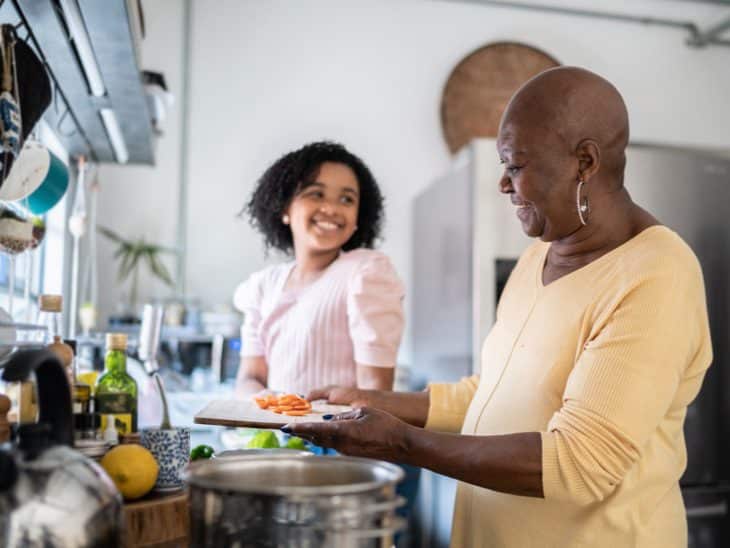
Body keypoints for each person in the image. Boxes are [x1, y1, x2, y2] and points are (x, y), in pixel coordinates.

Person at [284, 67, 713, 548]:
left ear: (585, 162)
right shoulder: (537, 260)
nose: (504, 185)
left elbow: (580, 463)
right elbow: (492, 394)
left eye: (515, 165)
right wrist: (372, 402)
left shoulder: (656, 274)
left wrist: (401, 442)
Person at [234, 141, 405, 397]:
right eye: (316, 193)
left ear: (359, 217)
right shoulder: (262, 286)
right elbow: (250, 378)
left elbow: (375, 393)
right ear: (285, 208)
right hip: (270, 431)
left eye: (347, 199)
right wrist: (272, 404)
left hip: (339, 436)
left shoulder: (366, 272)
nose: (332, 208)